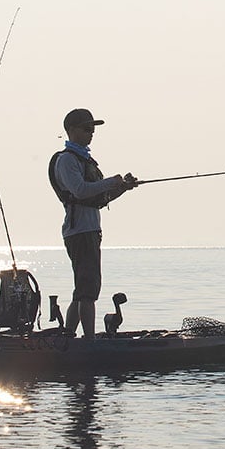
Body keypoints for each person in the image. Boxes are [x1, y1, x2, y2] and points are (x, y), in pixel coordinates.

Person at [49, 108, 138, 338]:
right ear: (71, 131)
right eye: (87, 128)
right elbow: (80, 191)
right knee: (88, 291)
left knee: (81, 291)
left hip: (90, 230)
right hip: (79, 231)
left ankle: (68, 334)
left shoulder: (85, 159)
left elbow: (99, 198)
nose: (92, 132)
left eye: (93, 129)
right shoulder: (67, 160)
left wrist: (122, 188)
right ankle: (89, 340)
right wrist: (111, 182)